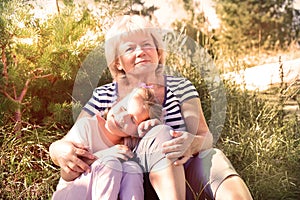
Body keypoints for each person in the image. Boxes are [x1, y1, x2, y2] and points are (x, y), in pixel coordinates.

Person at [49, 15, 253, 200]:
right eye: (129, 48)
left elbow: (205, 137)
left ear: (157, 51)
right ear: (118, 62)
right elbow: (69, 142)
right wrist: (58, 150)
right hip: (126, 182)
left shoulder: (180, 87)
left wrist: (192, 144)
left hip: (180, 174)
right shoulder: (103, 95)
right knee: (160, 134)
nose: (141, 52)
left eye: (147, 44)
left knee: (214, 158)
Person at [51, 87, 186, 200]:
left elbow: (157, 140)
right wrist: (105, 155)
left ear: (136, 131)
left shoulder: (130, 143)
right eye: (123, 107)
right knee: (111, 163)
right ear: (117, 101)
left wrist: (154, 126)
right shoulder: (87, 126)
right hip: (71, 193)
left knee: (132, 169)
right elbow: (68, 174)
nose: (122, 118)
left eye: (133, 120)